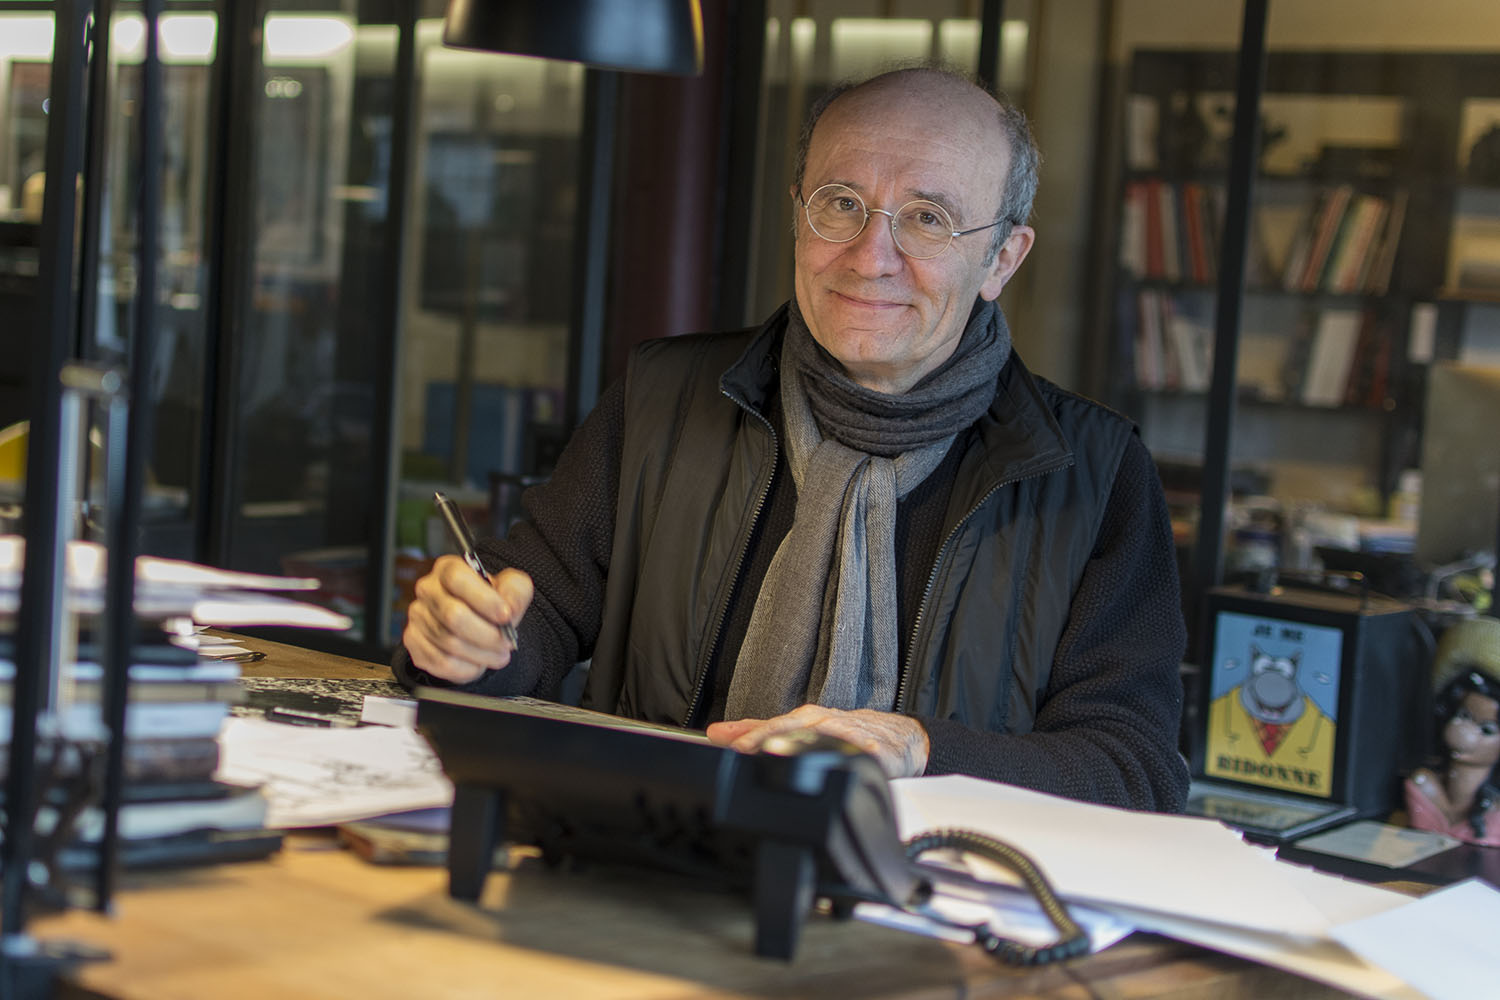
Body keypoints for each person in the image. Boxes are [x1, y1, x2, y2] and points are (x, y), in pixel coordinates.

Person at [396, 66, 1189, 812]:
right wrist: (466, 643)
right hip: (649, 857)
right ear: (798, 211)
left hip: (928, 918)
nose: (871, 258)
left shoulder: (1097, 474)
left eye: (928, 218)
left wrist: (919, 749)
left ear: (1001, 258)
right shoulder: (664, 399)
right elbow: (534, 609)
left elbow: (1133, 767)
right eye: (841, 203)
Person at [1404, 618, 1500, 845]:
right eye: (1463, 716)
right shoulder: (1422, 785)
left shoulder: (1495, 813)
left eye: (1486, 729)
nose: (1464, 732)